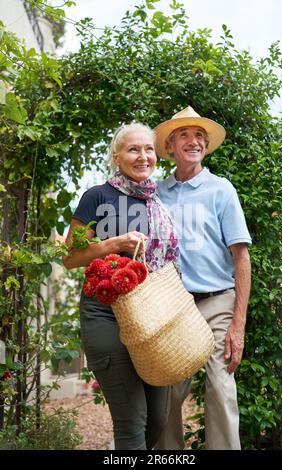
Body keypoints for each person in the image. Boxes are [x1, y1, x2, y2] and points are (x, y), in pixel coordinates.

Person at [62, 123, 179, 450]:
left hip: (152, 314)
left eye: (148, 149)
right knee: (131, 419)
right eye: (133, 149)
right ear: (116, 157)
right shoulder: (97, 197)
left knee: (158, 417)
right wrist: (113, 244)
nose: (143, 156)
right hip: (105, 314)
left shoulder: (160, 201)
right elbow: (70, 258)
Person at [154, 106, 252, 450]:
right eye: (184, 135)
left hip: (217, 301)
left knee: (220, 388)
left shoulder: (221, 190)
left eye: (199, 136)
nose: (193, 142)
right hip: (174, 307)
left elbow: (241, 257)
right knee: (166, 393)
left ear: (206, 146)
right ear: (169, 147)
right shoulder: (156, 193)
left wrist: (237, 324)